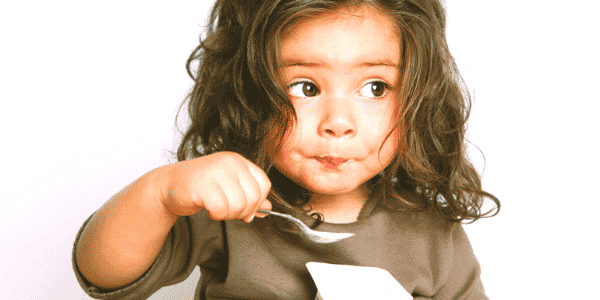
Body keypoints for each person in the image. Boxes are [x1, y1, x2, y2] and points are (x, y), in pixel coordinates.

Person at [72, 0, 500, 299]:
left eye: (375, 88)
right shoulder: (227, 206)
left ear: (417, 100)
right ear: (249, 95)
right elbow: (103, 275)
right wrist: (162, 193)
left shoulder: (434, 235)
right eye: (305, 87)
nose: (337, 122)